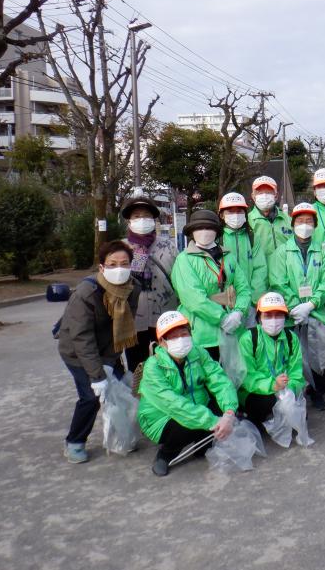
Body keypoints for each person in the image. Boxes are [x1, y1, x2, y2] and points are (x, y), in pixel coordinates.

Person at [58, 240, 140, 463]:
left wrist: (110, 362)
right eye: (112, 264)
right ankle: (74, 442)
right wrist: (97, 375)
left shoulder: (133, 289)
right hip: (76, 351)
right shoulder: (86, 293)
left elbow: (122, 332)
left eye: (124, 263)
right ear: (102, 267)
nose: (119, 268)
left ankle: (123, 436)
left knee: (123, 389)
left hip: (108, 349)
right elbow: (81, 338)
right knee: (91, 397)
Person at [138, 310, 239, 477]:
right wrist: (213, 420)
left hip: (195, 406)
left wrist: (229, 412)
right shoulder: (153, 367)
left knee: (226, 406)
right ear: (162, 342)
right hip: (162, 416)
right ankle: (165, 455)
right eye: (173, 337)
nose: (180, 340)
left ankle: (201, 443)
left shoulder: (198, 353)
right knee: (184, 424)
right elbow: (173, 404)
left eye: (184, 334)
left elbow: (219, 380)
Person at [269, 202, 325, 411]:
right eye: (300, 221)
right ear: (293, 223)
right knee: (294, 354)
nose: (304, 225)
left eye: (308, 221)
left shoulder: (322, 251)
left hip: (316, 312)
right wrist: (296, 307)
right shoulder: (282, 252)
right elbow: (278, 282)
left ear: (315, 225)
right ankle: (295, 391)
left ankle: (318, 393)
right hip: (292, 314)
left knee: (317, 354)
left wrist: (311, 304)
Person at [170, 209, 252, 360]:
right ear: (192, 232)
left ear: (216, 231)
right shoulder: (184, 259)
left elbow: (244, 288)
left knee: (232, 377)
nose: (204, 232)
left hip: (233, 328)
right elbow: (193, 298)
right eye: (199, 228)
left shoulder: (228, 256)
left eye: (209, 228)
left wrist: (238, 312)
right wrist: (222, 318)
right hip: (202, 334)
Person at [120, 194, 177, 372]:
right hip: (133, 320)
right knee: (138, 369)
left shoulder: (169, 246)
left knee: (169, 366)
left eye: (146, 215)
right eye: (136, 216)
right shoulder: (120, 249)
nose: (142, 220)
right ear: (129, 221)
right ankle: (141, 398)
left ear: (153, 219)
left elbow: (179, 279)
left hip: (166, 317)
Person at [238, 292, 306, 437]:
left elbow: (296, 372)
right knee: (263, 403)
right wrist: (272, 386)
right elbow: (246, 376)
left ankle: (278, 414)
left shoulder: (290, 338)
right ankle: (255, 418)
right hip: (255, 391)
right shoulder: (249, 339)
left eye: (278, 315)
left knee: (299, 413)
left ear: (285, 318)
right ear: (259, 318)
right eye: (268, 315)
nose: (274, 320)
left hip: (283, 387)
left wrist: (289, 389)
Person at [219, 191, 266, 318]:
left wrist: (253, 299)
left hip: (250, 301)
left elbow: (260, 268)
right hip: (224, 304)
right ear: (222, 215)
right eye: (230, 211)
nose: (236, 215)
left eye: (239, 211)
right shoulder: (217, 239)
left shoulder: (251, 237)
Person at [248, 175, 293, 264]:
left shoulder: (288, 220)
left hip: (285, 273)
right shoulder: (247, 221)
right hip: (260, 274)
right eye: (259, 193)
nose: (264, 196)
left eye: (269, 192)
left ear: (276, 196)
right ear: (253, 196)